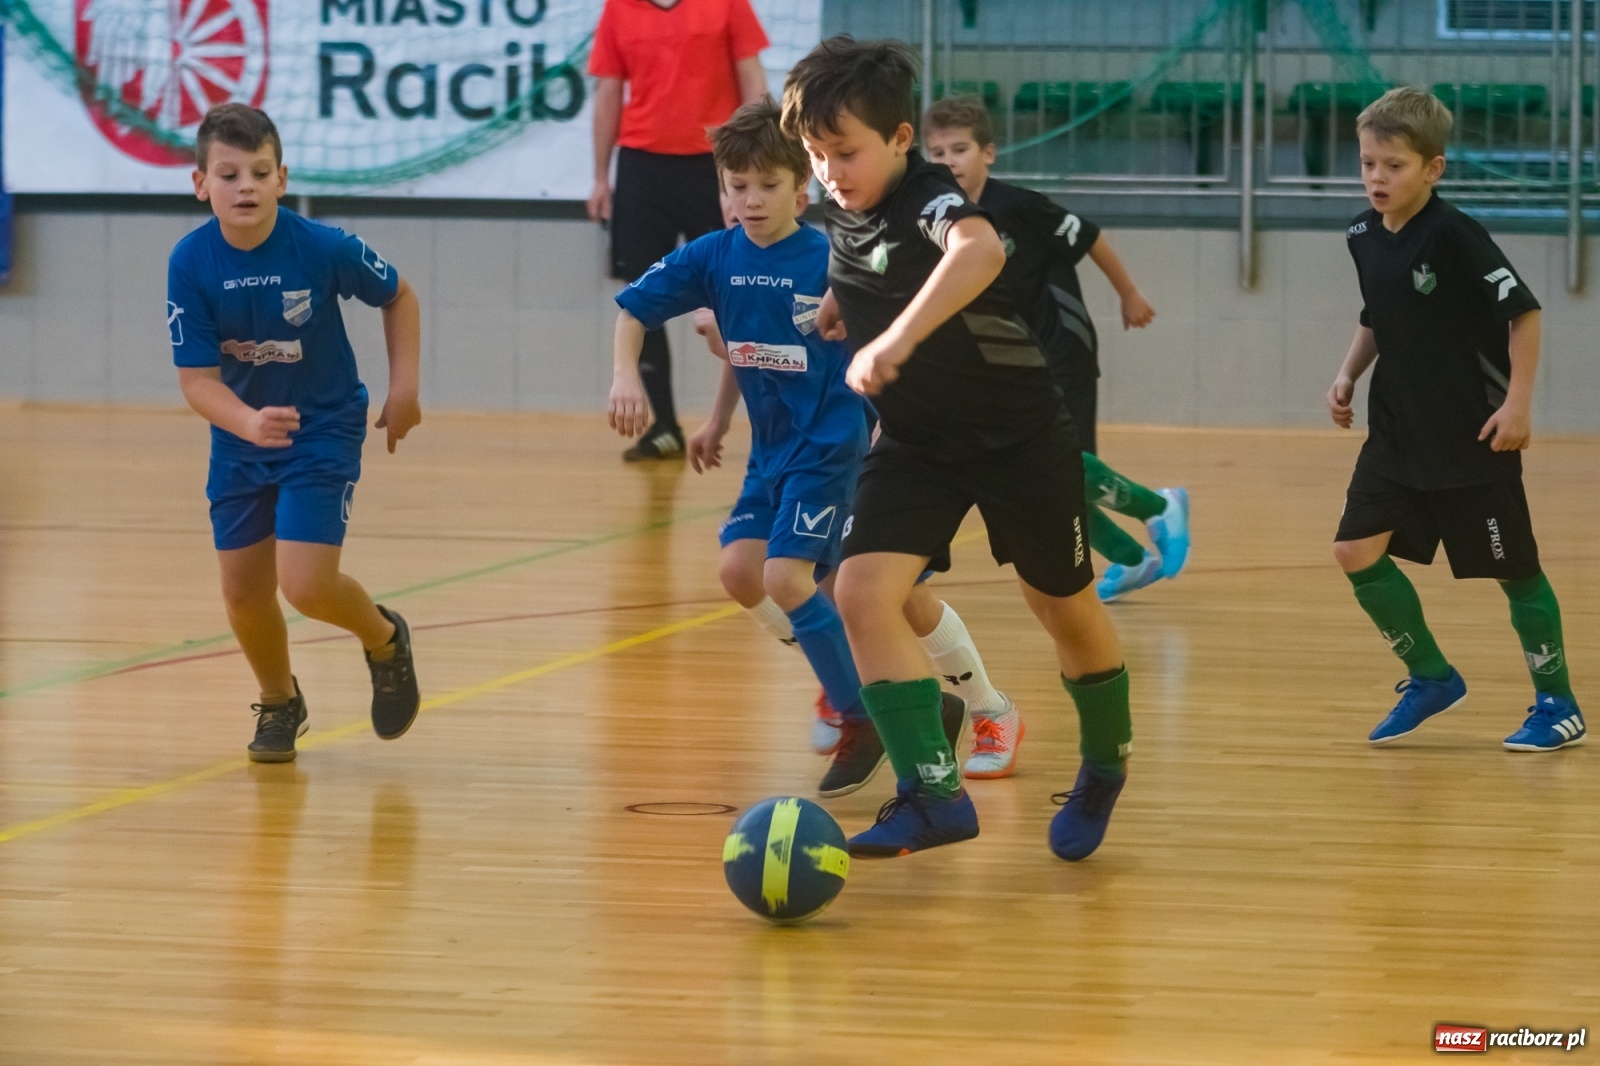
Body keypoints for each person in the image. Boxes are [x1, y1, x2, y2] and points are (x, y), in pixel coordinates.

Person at [782, 37, 1136, 860]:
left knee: (1063, 609)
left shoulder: (930, 197)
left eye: (847, 152)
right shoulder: (843, 199)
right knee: (861, 591)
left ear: (903, 140)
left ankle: (1103, 766)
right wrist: (842, 301)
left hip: (1019, 438)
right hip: (916, 442)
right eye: (816, 155)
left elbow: (977, 250)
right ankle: (934, 798)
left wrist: (893, 342)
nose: (831, 171)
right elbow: (865, 251)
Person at [1327, 86, 1584, 751]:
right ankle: (1431, 676)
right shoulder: (1361, 234)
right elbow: (1376, 314)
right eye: (1368, 164)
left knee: (1515, 572)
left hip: (1471, 435)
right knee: (1354, 550)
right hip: (1396, 433)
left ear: (1433, 168)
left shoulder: (1457, 235)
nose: (1377, 178)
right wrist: (1349, 372)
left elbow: (1523, 313)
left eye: (1394, 165)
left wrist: (1518, 403)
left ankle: (1557, 702)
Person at [167, 104, 423, 763]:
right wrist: (247, 423)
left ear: (282, 177)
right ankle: (281, 702)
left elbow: (399, 295)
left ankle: (384, 638)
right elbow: (197, 382)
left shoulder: (323, 247)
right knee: (244, 593)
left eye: (259, 171)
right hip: (241, 436)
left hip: (322, 430)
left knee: (305, 584)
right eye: (228, 174)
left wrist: (404, 388)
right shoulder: (191, 263)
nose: (245, 186)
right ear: (201, 185)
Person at [923, 97, 1191, 605]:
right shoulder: (942, 219)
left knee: (1063, 464)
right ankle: (1133, 560)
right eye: (936, 153)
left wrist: (1129, 293)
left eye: (959, 149)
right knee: (1043, 478)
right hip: (1007, 362)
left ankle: (1160, 507)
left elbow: (1090, 238)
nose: (949, 161)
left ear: (989, 153)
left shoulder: (1020, 206)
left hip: (1059, 348)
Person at [587, 0, 771, 462]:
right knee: (643, 293)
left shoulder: (727, 4)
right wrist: (598, 176)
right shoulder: (618, 10)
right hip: (642, 165)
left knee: (736, 286)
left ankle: (765, 415)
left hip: (711, 164)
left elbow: (752, 80)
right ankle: (664, 426)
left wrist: (754, 160)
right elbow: (608, 93)